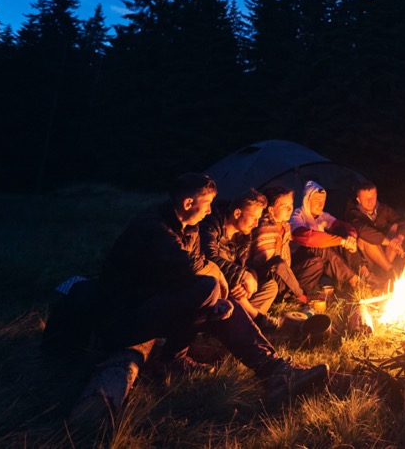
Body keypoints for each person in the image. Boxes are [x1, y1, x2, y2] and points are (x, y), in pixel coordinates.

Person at [71, 173, 326, 427]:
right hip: (122, 318)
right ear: (187, 204)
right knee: (208, 284)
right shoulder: (152, 227)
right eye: (206, 205)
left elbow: (182, 279)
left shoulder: (189, 229)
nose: (209, 212)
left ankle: (276, 371)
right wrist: (219, 283)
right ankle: (173, 358)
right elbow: (194, 268)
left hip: (154, 308)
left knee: (227, 304)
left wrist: (216, 303)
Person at [199, 189, 280, 322]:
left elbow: (247, 265)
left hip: (236, 288)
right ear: (237, 213)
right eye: (254, 218)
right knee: (231, 289)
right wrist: (242, 276)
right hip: (218, 286)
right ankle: (257, 318)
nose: (255, 224)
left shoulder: (244, 236)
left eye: (258, 219)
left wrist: (250, 278)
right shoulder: (211, 224)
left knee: (270, 286)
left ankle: (243, 318)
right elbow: (209, 257)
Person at [289, 180, 367, 297]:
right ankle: (354, 281)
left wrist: (351, 237)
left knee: (342, 233)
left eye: (323, 201)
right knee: (320, 246)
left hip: (319, 264)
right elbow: (307, 238)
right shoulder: (296, 216)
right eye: (317, 201)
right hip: (299, 268)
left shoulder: (322, 216)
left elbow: (344, 226)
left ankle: (364, 273)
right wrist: (341, 241)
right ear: (307, 200)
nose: (321, 204)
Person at [249, 186, 307, 304]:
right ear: (271, 209)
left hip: (284, 273)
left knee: (314, 261)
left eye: (291, 204)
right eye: (284, 206)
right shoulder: (264, 227)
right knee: (278, 263)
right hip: (265, 279)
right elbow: (267, 264)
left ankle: (294, 296)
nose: (290, 209)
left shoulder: (285, 226)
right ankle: (300, 297)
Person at [343, 181, 405, 280]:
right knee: (366, 238)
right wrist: (390, 243)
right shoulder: (353, 213)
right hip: (364, 257)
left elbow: (402, 221)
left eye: (372, 198)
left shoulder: (383, 209)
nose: (370, 201)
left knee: (395, 227)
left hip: (382, 254)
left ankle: (384, 272)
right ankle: (391, 272)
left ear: (376, 195)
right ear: (358, 200)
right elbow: (363, 231)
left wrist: (399, 238)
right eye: (366, 198)